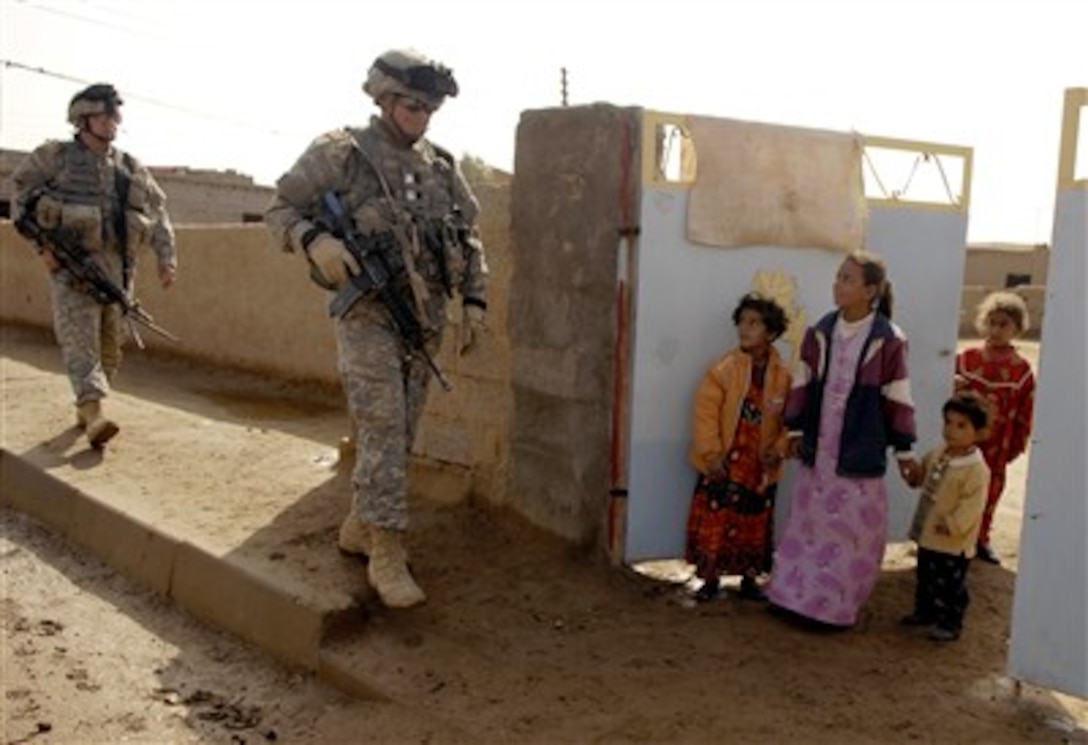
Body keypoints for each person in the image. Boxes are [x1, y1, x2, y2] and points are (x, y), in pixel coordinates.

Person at [264, 49, 489, 609]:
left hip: (424, 320)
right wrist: (316, 240)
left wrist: (475, 301)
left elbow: (468, 236)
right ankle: (387, 550)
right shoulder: (342, 153)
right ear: (384, 98)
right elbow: (280, 208)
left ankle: (360, 524)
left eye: (430, 108)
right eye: (413, 105)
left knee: (400, 430)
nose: (423, 117)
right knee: (384, 423)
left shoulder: (442, 166)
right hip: (367, 314)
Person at [12, 83, 177, 448]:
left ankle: (86, 409)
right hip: (72, 271)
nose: (112, 122)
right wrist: (43, 248)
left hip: (118, 274)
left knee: (110, 350)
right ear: (82, 120)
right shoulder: (54, 157)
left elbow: (157, 212)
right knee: (80, 343)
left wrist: (167, 259)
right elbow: (20, 200)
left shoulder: (130, 168)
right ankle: (95, 414)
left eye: (114, 115)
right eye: (104, 116)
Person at [766, 250, 920, 628]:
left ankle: (832, 609)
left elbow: (897, 395)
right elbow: (802, 382)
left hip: (858, 449)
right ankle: (791, 597)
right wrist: (797, 430)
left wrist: (904, 449)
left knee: (851, 532)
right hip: (819, 448)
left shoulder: (889, 340)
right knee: (809, 523)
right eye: (838, 277)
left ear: (871, 290)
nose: (838, 284)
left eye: (848, 279)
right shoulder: (819, 332)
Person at [685, 293, 792, 603]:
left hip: (759, 467)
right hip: (725, 462)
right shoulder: (723, 370)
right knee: (717, 518)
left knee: (754, 521)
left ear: (771, 333)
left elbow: (791, 420)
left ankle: (749, 577)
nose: (745, 329)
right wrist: (711, 455)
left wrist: (779, 448)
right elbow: (705, 413)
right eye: (742, 322)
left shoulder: (783, 377)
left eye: (754, 323)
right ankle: (710, 579)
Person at [901, 391, 992, 642]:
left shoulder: (976, 470)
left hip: (951, 542)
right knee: (926, 575)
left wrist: (952, 525)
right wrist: (914, 475)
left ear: (979, 432)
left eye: (961, 426)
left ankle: (951, 621)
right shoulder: (941, 452)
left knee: (950, 584)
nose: (952, 430)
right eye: (948, 423)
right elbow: (925, 472)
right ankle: (925, 611)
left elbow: (972, 506)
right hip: (929, 533)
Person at [953, 291, 1035, 565]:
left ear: (1017, 328)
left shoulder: (1021, 370)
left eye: (1005, 324)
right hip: (962, 442)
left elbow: (1025, 412)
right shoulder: (967, 360)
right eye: (993, 322)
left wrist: (1016, 445)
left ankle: (981, 538)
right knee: (956, 486)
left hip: (997, 447)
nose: (997, 329)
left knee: (990, 489)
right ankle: (950, 538)